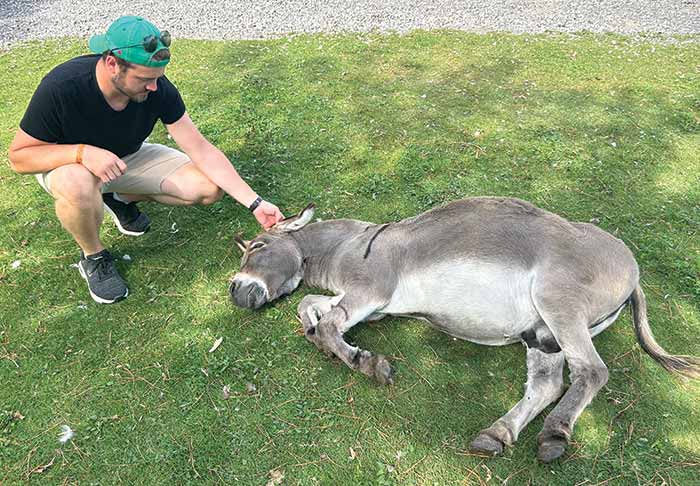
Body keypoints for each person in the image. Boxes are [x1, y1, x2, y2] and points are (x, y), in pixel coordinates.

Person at [8, 15, 284, 304]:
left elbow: (200, 148)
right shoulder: (63, 85)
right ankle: (94, 256)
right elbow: (19, 157)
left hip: (129, 158)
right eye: (144, 79)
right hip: (70, 165)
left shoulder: (157, 87)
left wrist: (255, 202)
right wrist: (82, 153)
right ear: (112, 63)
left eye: (158, 77)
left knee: (207, 187)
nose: (153, 87)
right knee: (77, 183)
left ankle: (119, 197)